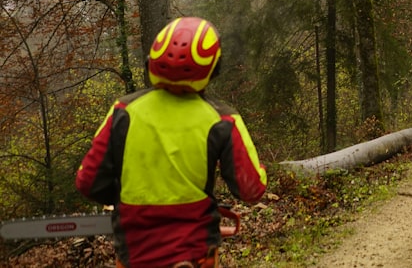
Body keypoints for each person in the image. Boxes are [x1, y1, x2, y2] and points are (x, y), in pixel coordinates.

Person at [76, 17, 268, 268]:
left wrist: (126, 197)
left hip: (135, 253)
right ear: (214, 69)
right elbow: (251, 189)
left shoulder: (123, 111)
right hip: (195, 252)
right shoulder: (222, 119)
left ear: (152, 62)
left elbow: (88, 182)